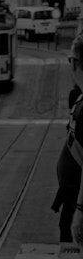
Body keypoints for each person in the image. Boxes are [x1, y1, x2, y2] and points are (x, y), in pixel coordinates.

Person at [54, 35, 83, 247]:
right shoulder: (79, 97)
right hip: (71, 191)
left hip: (77, 196)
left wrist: (81, 211)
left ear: (75, 63)